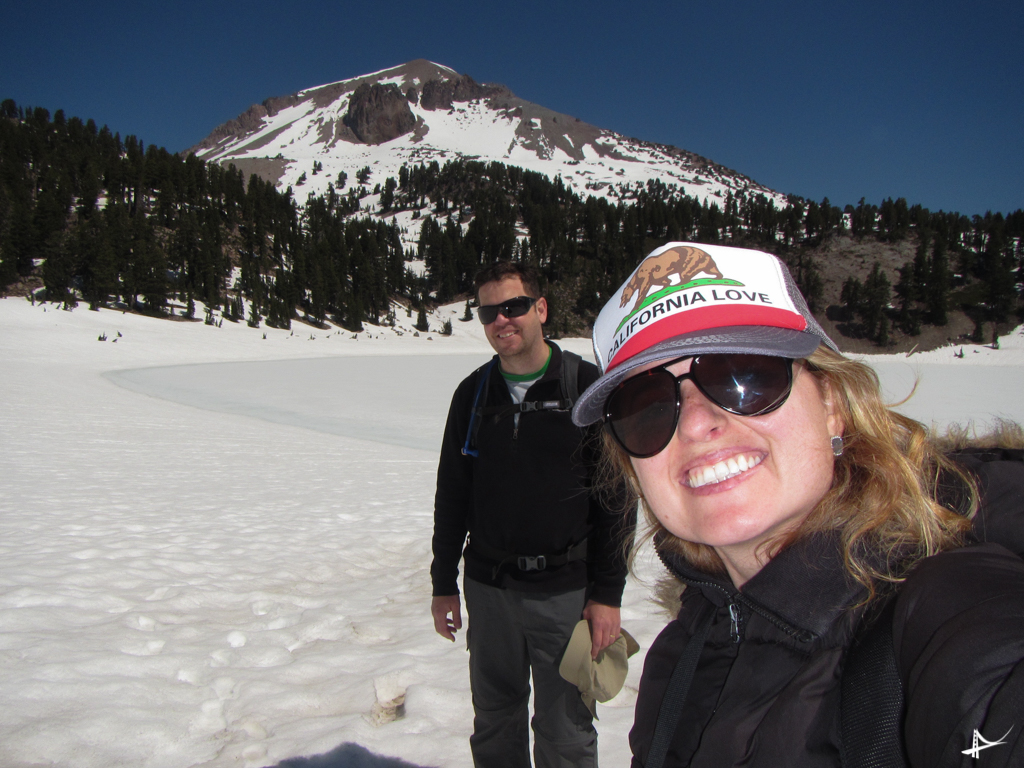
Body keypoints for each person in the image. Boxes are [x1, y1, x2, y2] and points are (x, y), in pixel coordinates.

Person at [569, 242, 1024, 767]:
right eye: (644, 406)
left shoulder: (942, 604)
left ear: (833, 405)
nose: (696, 423)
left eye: (744, 376)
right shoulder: (685, 649)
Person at [430, 261, 633, 768]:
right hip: (489, 589)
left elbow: (616, 501)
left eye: (514, 306)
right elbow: (452, 494)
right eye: (489, 312)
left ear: (540, 309)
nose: (502, 320)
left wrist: (607, 595)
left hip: (565, 593)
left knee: (566, 730)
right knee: (495, 720)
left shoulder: (586, 388)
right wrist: (442, 582)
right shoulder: (473, 395)